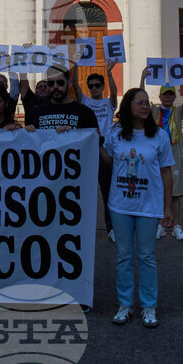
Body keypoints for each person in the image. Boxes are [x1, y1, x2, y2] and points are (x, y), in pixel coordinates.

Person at [101, 87, 175, 329]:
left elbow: (166, 172)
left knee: (146, 256)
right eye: (139, 103)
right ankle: (125, 304)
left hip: (149, 205)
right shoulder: (116, 135)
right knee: (123, 256)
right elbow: (110, 161)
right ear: (128, 107)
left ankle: (148, 306)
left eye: (147, 103)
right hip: (120, 204)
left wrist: (168, 207)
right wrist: (92, 140)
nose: (145, 107)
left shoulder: (160, 136)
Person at [140, 68, 183, 242]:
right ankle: (162, 224)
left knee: (175, 192)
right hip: (158, 155)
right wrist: (142, 78)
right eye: (165, 95)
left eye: (171, 94)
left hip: (176, 154)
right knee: (159, 191)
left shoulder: (178, 112)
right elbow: (142, 100)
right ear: (160, 96)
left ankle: (176, 225)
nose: (168, 97)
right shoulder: (155, 111)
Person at [74, 59, 119, 242]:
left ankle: (111, 228)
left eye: (97, 86)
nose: (94, 89)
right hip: (87, 151)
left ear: (102, 87)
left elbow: (115, 92)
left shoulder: (109, 103)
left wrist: (109, 72)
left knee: (107, 191)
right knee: (83, 191)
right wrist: (75, 65)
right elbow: (76, 87)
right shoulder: (85, 101)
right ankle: (81, 227)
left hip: (105, 151)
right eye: (91, 86)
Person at [24, 66, 99, 134]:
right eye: (51, 83)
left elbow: (96, 146)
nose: (55, 86)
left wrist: (96, 138)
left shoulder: (85, 113)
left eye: (60, 83)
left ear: (69, 83)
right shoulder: (35, 113)